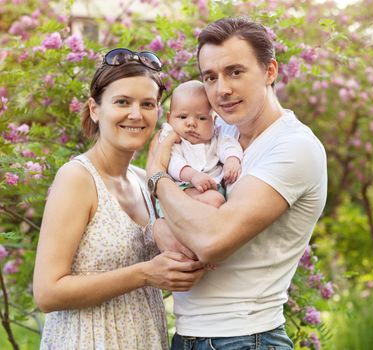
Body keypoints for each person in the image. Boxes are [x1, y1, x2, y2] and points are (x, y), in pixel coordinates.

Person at [147, 17, 328, 350]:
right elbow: (161, 160)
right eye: (210, 77)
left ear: (270, 71)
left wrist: (156, 177)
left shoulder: (293, 147)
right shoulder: (218, 132)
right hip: (187, 336)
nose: (221, 90)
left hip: (245, 338)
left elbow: (213, 240)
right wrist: (160, 229)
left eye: (235, 72)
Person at [33, 48, 205, 350]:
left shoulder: (144, 181)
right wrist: (144, 274)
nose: (136, 114)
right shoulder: (77, 179)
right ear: (95, 108)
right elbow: (47, 293)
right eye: (122, 102)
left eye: (147, 104)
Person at [158, 80, 242, 210]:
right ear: (169, 119)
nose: (191, 123)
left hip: (211, 187)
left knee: (216, 200)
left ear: (213, 121)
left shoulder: (216, 137)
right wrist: (193, 176)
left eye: (202, 118)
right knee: (215, 200)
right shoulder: (172, 139)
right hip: (182, 187)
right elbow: (173, 162)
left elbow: (229, 145)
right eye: (182, 117)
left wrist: (232, 160)